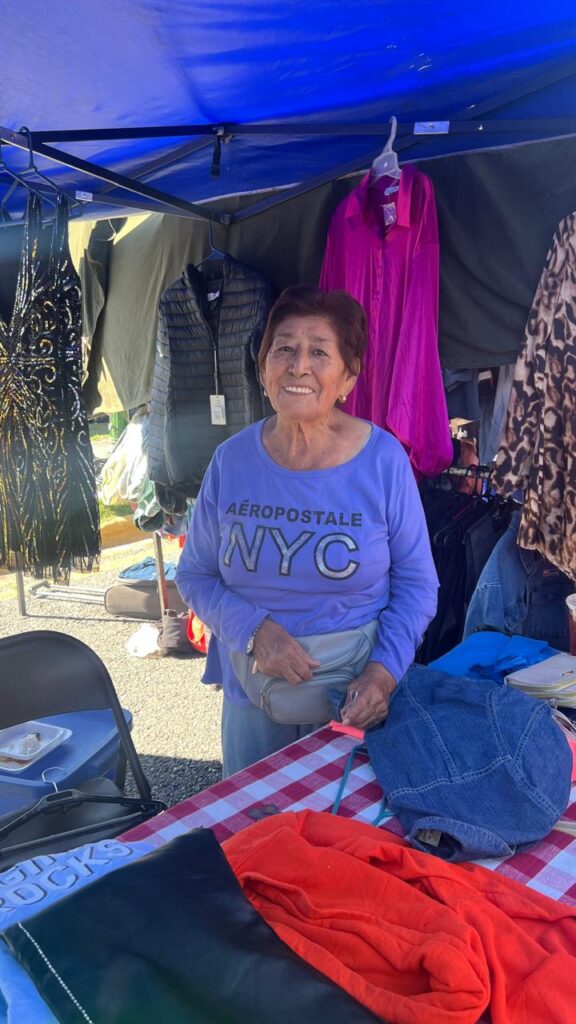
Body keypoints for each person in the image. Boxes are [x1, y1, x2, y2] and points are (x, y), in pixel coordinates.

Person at [176, 285, 439, 777]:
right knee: (253, 819)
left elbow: (418, 585)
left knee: (344, 824)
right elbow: (195, 574)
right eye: (284, 349)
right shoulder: (231, 460)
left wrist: (383, 673)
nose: (299, 366)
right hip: (253, 695)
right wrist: (254, 630)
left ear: (348, 376)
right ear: (263, 368)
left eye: (319, 352)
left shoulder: (383, 461)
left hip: (354, 698)